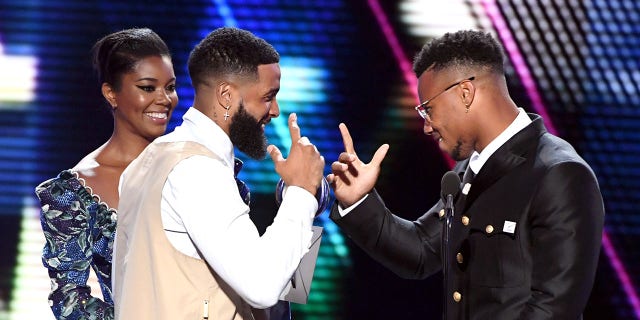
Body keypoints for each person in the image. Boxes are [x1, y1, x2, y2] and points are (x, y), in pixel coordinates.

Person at [327, 30, 604, 319]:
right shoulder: (468, 171)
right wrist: (359, 201)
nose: (426, 126)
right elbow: (422, 252)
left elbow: (554, 309)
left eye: (428, 110)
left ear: (465, 93)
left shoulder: (559, 174)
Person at [112, 27, 324, 320]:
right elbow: (262, 286)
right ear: (226, 95)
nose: (274, 110)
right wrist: (300, 193)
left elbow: (280, 292)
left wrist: (310, 198)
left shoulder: (148, 162)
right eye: (268, 96)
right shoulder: (197, 171)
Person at [35, 28, 178, 319]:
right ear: (111, 93)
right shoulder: (74, 193)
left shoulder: (193, 167)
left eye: (170, 87)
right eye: (148, 88)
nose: (164, 99)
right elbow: (69, 298)